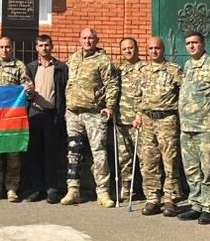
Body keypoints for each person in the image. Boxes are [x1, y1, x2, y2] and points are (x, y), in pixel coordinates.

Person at [62, 27, 119, 207]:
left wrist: (110, 106)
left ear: (96, 40)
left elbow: (112, 84)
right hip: (73, 113)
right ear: (80, 39)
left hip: (94, 113)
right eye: (84, 38)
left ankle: (103, 192)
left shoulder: (103, 60)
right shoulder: (73, 58)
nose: (87, 41)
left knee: (99, 153)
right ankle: (73, 190)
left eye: (91, 38)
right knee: (73, 152)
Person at [134, 37, 183, 217]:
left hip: (167, 120)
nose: (154, 51)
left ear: (163, 50)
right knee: (149, 161)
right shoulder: (143, 71)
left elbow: (182, 95)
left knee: (170, 161)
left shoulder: (174, 70)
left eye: (157, 48)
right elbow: (138, 97)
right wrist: (138, 116)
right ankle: (153, 198)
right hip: (147, 121)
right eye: (150, 48)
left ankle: (171, 199)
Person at [0, 36, 33, 202]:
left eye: (8, 47)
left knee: (13, 154)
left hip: (12, 117)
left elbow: (28, 90)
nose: (5, 50)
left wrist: (29, 90)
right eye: (2, 47)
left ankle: (12, 189)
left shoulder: (19, 66)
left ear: (12, 48)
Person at [178, 31, 210, 224]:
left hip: (206, 126)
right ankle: (196, 203)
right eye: (188, 43)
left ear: (203, 44)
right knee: (191, 168)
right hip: (187, 127)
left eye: (195, 42)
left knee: (208, 167)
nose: (191, 46)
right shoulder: (187, 65)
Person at [24, 35, 68, 203]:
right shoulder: (31, 67)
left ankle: (51, 188)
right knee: (34, 153)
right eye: (41, 45)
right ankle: (36, 188)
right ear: (36, 48)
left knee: (51, 153)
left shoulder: (61, 68)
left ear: (52, 47)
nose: (44, 48)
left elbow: (65, 91)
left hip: (52, 115)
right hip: (35, 114)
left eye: (47, 45)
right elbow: (25, 92)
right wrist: (28, 93)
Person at [114, 38, 142, 205]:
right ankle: (126, 187)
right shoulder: (119, 70)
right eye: (124, 49)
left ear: (136, 49)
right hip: (121, 120)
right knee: (124, 159)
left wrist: (140, 114)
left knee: (145, 159)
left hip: (138, 121)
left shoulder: (145, 69)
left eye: (131, 48)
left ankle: (150, 190)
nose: (128, 51)